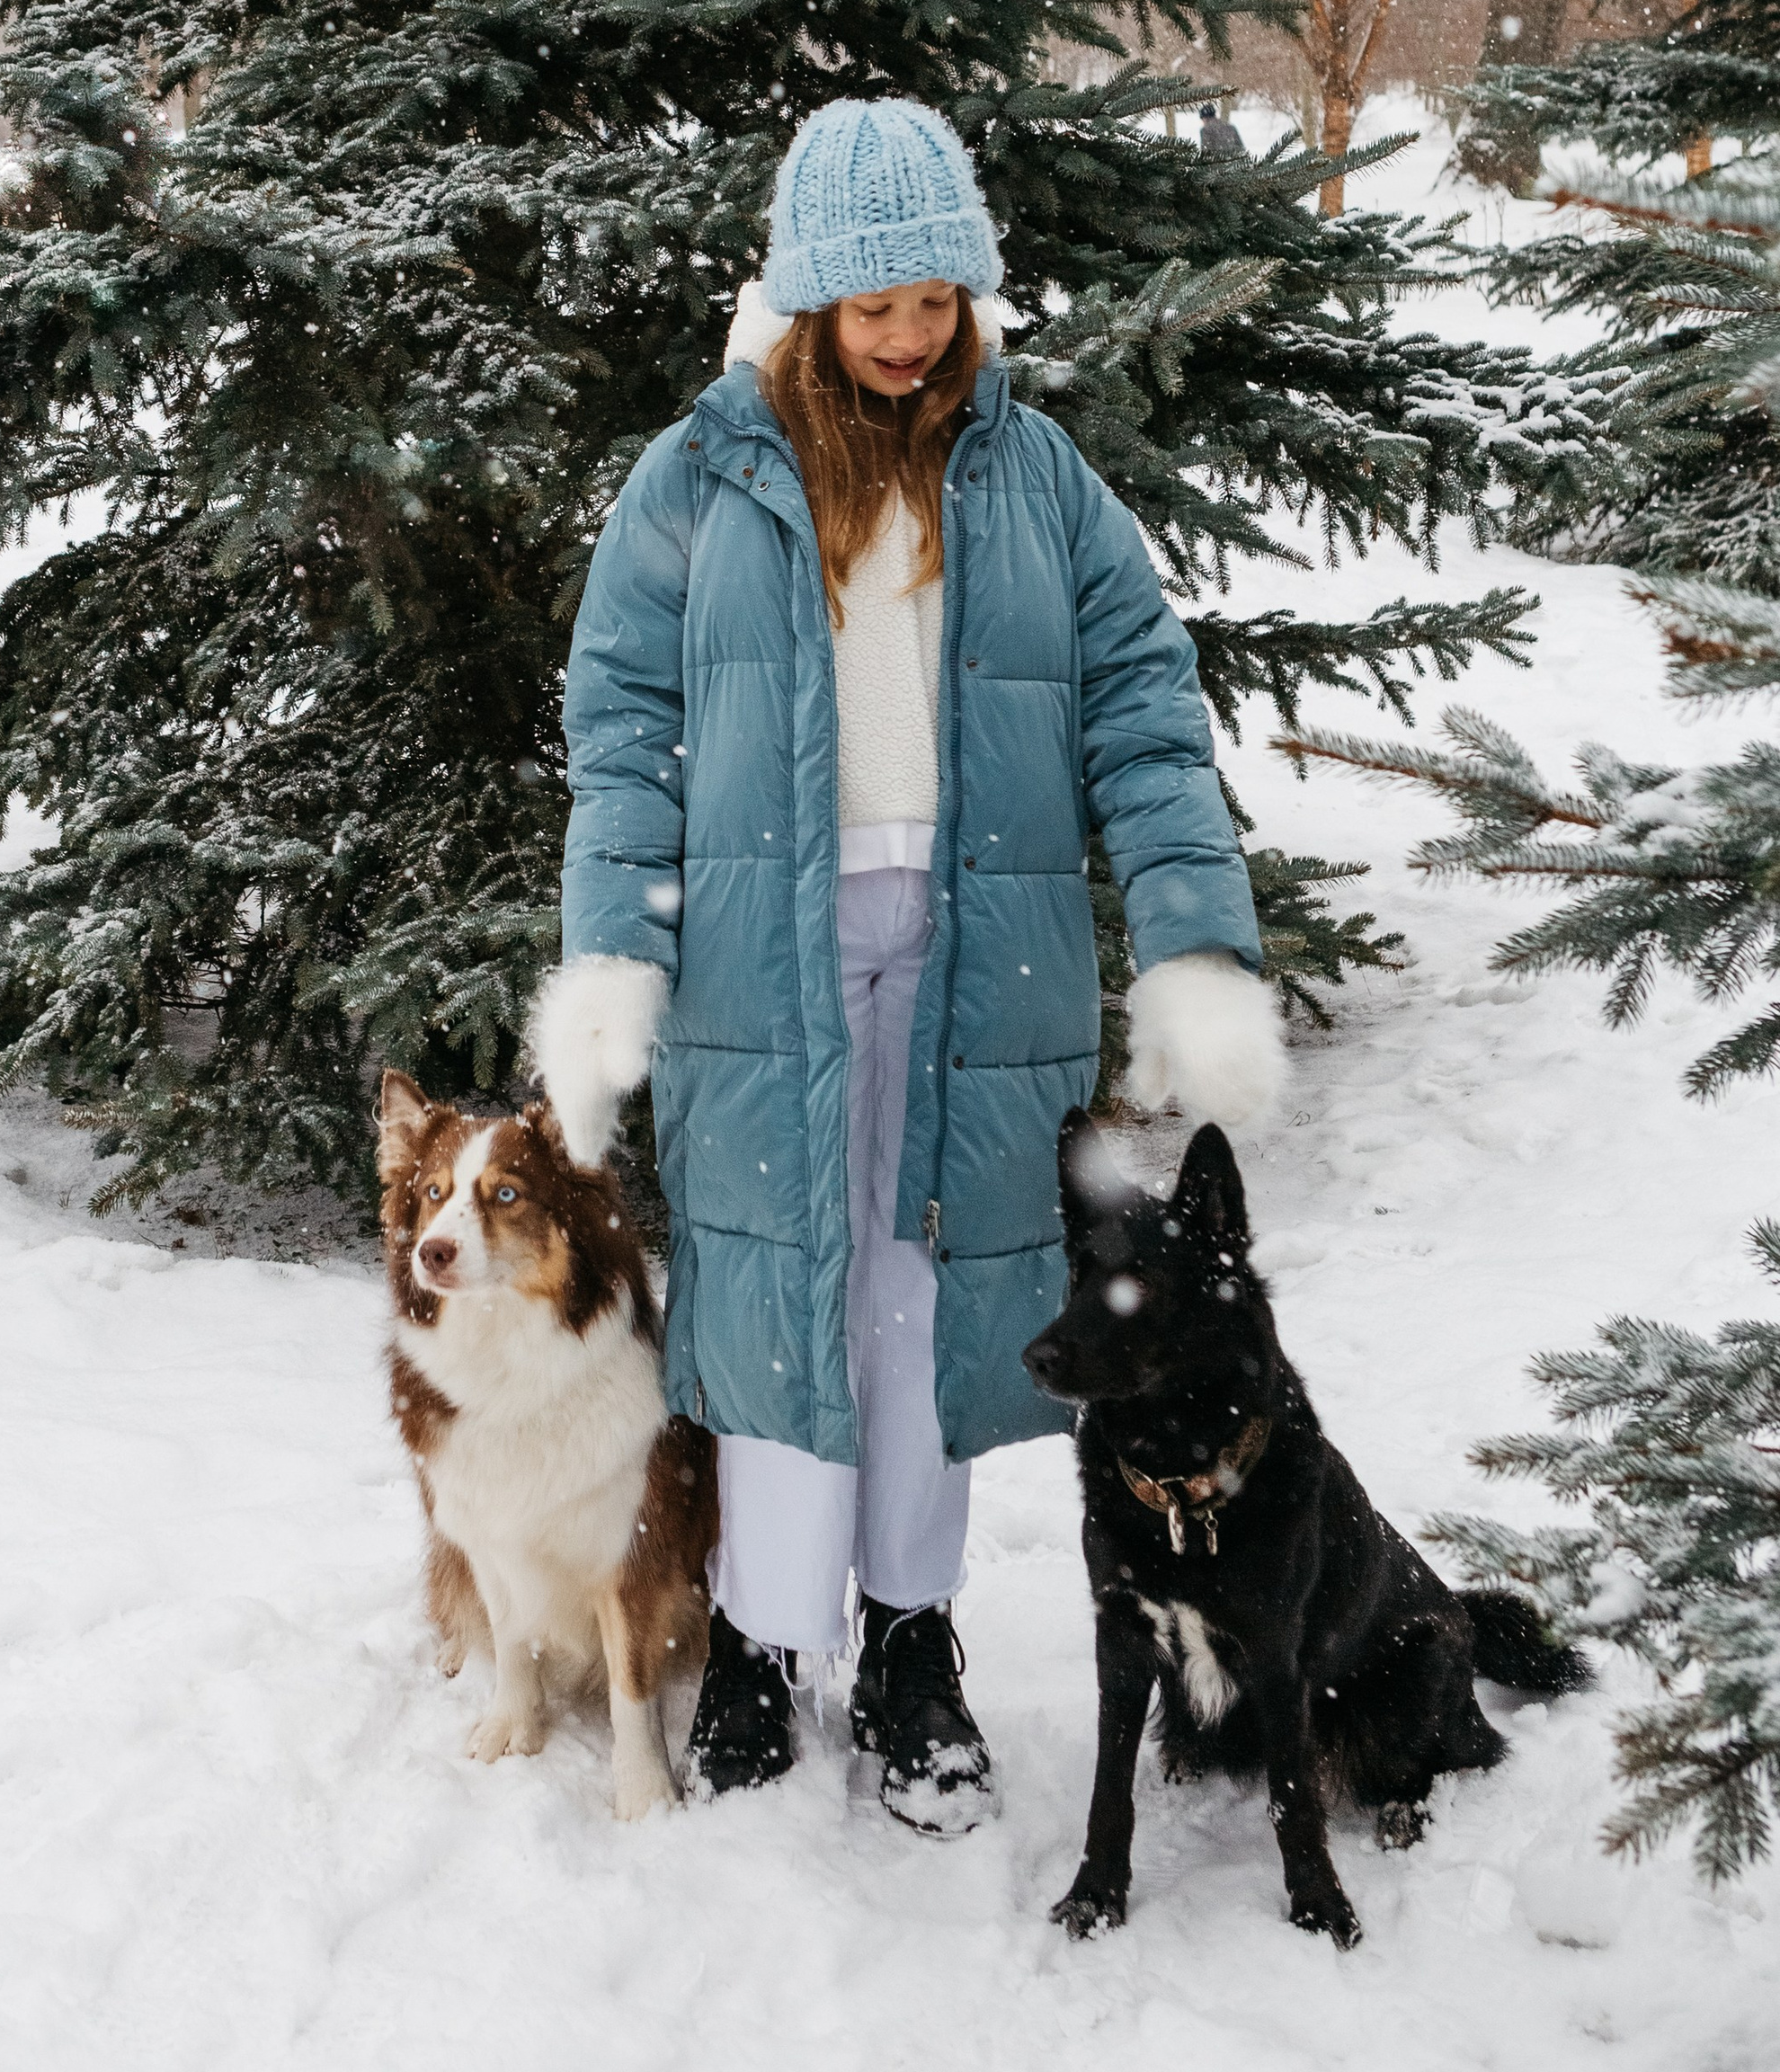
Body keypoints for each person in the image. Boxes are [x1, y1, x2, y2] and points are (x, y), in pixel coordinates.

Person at [530, 94, 1282, 1832]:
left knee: (919, 1298)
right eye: (874, 306)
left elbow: (1152, 723)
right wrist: (607, 957)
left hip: (978, 955)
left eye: (936, 301)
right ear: (805, 299)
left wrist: (1195, 951)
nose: (907, 337)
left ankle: (911, 1637)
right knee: (781, 1286)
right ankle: (761, 1635)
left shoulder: (1032, 473)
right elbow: (619, 731)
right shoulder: (701, 474)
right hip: (757, 962)